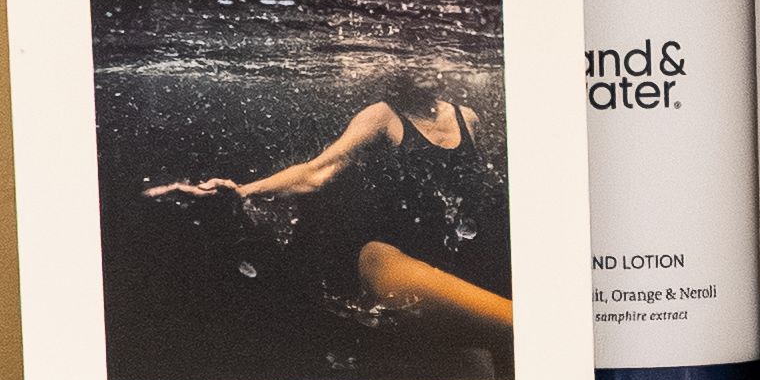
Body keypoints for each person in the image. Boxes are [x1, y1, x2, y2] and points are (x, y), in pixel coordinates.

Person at [148, 94, 509, 330]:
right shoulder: (382, 115)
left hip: (451, 267)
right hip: (387, 263)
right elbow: (316, 171)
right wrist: (244, 191)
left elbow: (473, 197)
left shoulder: (467, 118)